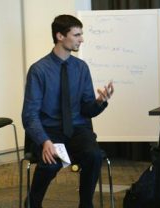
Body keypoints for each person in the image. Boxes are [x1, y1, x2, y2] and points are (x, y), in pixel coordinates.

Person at [22, 14, 114, 208]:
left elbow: (87, 110)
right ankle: (33, 202)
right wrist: (44, 141)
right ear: (60, 36)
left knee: (94, 155)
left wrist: (100, 101)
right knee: (51, 164)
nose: (82, 39)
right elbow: (29, 114)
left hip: (77, 129)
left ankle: (85, 204)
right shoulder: (39, 70)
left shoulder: (81, 68)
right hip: (50, 131)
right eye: (77, 34)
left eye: (81, 34)